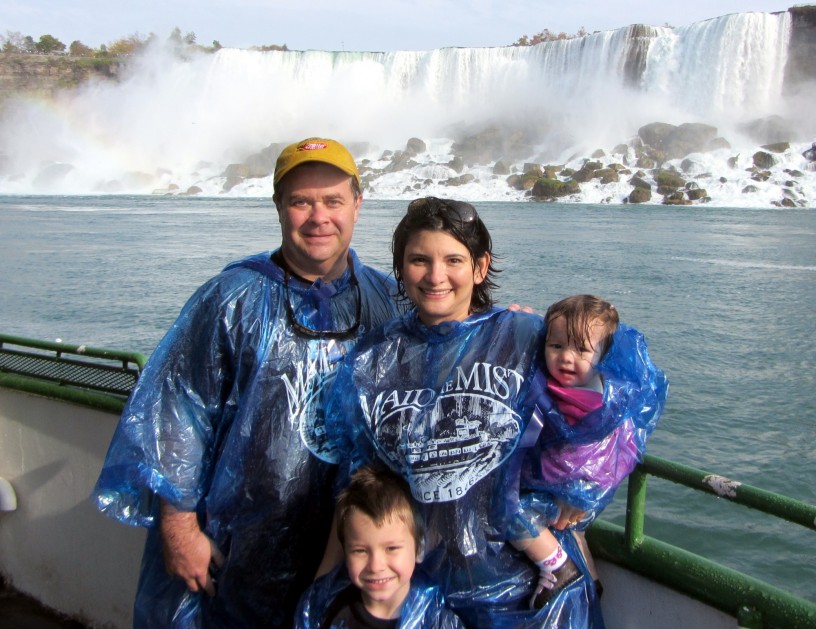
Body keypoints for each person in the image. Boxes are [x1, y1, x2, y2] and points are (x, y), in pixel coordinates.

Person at [91, 138, 402, 627]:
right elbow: (176, 413)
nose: (319, 217)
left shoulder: (387, 299)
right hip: (235, 549)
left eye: (333, 201)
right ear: (279, 207)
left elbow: (445, 355)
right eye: (301, 202)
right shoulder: (230, 298)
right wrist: (178, 528)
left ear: (358, 206)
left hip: (350, 550)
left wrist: (515, 327)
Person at [322, 197, 606, 628]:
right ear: (400, 268)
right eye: (419, 260)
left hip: (529, 589)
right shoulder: (374, 360)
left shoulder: (525, 337)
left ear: (480, 266)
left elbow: (618, 392)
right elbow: (356, 487)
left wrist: (584, 486)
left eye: (453, 259)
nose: (436, 276)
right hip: (419, 587)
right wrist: (324, 584)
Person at [511, 295, 667, 608]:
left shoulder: (589, 401)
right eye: (555, 346)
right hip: (583, 492)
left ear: (604, 353)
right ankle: (592, 579)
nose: (566, 358)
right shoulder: (609, 389)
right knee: (577, 530)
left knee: (510, 514)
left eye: (581, 349)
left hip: (568, 490)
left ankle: (556, 567)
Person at [295, 465, 464, 628]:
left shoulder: (436, 620)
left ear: (419, 549)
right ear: (345, 552)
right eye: (360, 551)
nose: (376, 566)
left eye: (391, 549)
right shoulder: (328, 609)